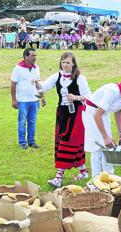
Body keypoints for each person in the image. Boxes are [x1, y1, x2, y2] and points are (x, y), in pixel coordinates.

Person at [35, 52, 91, 187]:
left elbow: (89, 96)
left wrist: (76, 97)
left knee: (68, 142)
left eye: (68, 62)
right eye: (63, 62)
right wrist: (36, 83)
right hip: (62, 113)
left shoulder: (79, 78)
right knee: (68, 142)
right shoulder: (58, 75)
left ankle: (58, 177)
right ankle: (83, 172)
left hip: (76, 113)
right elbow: (44, 87)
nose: (65, 65)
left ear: (73, 64)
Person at [82, 74, 121, 176]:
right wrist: (105, 136)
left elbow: (118, 111)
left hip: (102, 112)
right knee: (98, 145)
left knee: (108, 144)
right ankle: (96, 178)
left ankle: (109, 175)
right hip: (91, 112)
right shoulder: (113, 92)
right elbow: (97, 115)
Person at [11, 48, 45, 149]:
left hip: (34, 100)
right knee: (22, 122)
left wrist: (42, 97)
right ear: (26, 57)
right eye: (32, 56)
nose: (35, 58)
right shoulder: (18, 68)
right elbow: (13, 85)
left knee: (32, 121)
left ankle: (31, 141)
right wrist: (14, 99)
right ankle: (22, 142)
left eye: (35, 55)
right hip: (22, 100)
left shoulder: (36, 68)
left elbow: (38, 84)